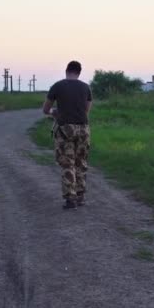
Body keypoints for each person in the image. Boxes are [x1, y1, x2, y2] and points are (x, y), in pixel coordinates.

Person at [42, 61, 93, 210]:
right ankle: (81, 196)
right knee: (81, 162)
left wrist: (54, 113)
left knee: (67, 163)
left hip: (65, 130)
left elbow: (46, 109)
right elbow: (86, 111)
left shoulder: (57, 86)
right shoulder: (86, 87)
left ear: (66, 70)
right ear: (79, 72)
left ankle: (71, 199)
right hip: (84, 129)